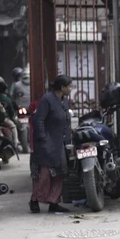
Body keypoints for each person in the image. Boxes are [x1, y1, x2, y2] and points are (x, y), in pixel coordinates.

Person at [30, 75, 72, 214]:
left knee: (60, 172)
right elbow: (38, 120)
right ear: (62, 87)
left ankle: (54, 202)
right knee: (44, 174)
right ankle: (35, 200)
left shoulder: (64, 101)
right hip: (46, 141)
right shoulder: (47, 99)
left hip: (59, 141)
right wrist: (42, 138)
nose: (71, 89)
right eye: (69, 86)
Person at [0, 76, 22, 151]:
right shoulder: (7, 99)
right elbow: (11, 113)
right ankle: (15, 143)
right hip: (3, 119)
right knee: (13, 127)